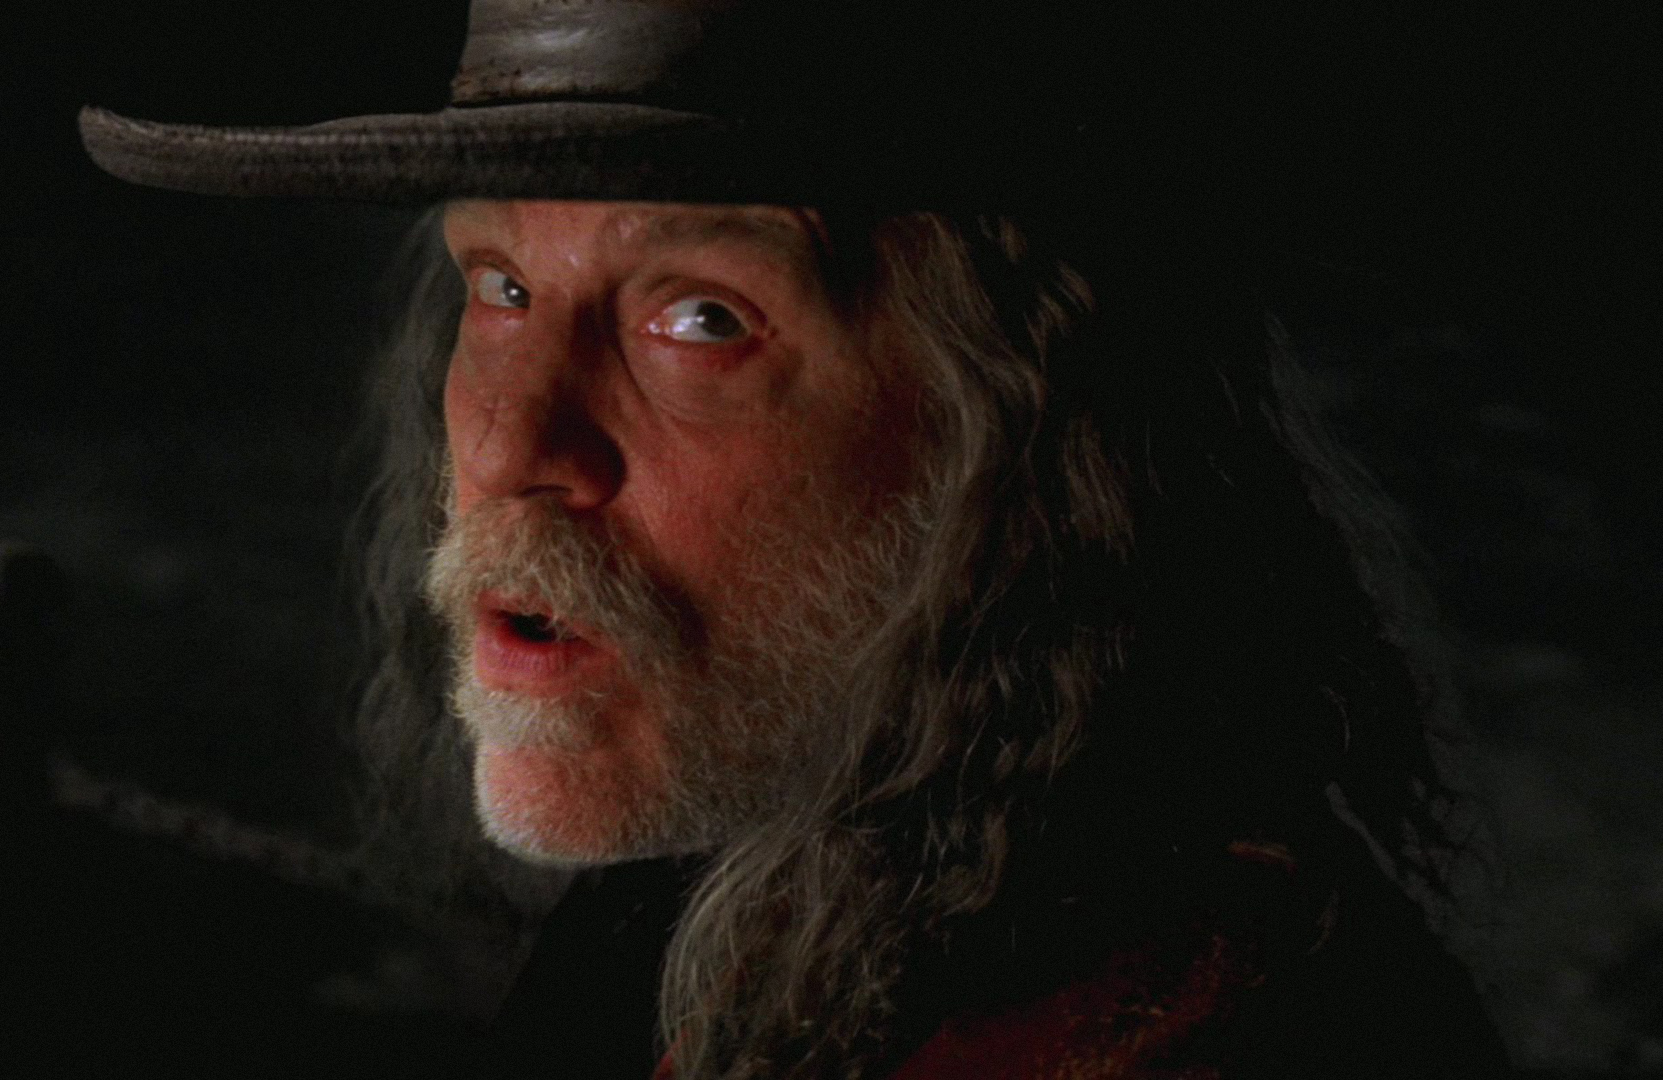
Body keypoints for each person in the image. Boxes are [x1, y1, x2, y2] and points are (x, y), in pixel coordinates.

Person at [81, 2, 1507, 1076]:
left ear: (1022, 443)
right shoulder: (729, 892)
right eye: (502, 288)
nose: (511, 452)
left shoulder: (1241, 1028)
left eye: (701, 318)